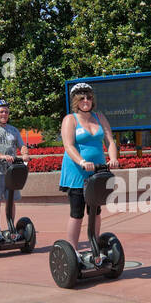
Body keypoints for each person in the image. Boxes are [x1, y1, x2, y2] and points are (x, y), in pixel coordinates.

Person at [57, 83, 119, 251]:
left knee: (96, 210)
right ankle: (72, 251)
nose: (86, 100)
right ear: (76, 101)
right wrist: (82, 162)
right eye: (82, 98)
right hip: (77, 171)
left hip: (97, 170)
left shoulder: (99, 117)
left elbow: (110, 141)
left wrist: (113, 158)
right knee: (77, 212)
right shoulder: (70, 119)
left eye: (89, 97)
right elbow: (68, 146)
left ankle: (95, 245)